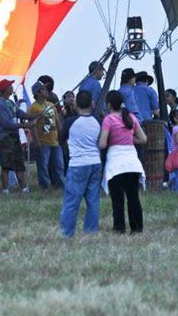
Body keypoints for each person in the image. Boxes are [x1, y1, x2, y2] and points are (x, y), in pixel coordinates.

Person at [99, 90, 147, 233]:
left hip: (116, 163)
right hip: (132, 161)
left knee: (117, 199)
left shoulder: (108, 119)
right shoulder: (131, 117)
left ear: (108, 104)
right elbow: (143, 139)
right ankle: (137, 228)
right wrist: (129, 139)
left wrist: (111, 140)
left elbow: (102, 143)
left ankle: (119, 228)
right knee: (133, 198)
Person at [59, 90, 102, 237]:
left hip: (77, 163)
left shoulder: (70, 122)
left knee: (72, 200)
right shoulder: (97, 121)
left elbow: (61, 138)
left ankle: (67, 233)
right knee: (93, 200)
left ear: (76, 104)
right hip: (95, 162)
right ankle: (91, 231)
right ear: (91, 104)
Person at [0, 79, 32, 194]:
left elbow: (20, 113)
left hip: (14, 137)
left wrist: (35, 115)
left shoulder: (10, 102)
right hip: (6, 138)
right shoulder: (0, 105)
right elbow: (6, 124)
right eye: (10, 86)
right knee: (6, 165)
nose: (12, 87)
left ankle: (24, 189)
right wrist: (24, 125)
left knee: (19, 163)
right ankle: (5, 190)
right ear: (5, 89)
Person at [28, 81, 65, 190]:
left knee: (59, 165)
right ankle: (45, 187)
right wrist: (36, 141)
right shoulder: (33, 108)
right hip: (43, 142)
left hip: (55, 141)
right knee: (43, 166)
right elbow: (32, 125)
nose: (46, 91)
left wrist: (61, 134)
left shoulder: (51, 105)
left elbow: (57, 121)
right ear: (37, 93)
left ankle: (61, 185)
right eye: (43, 89)